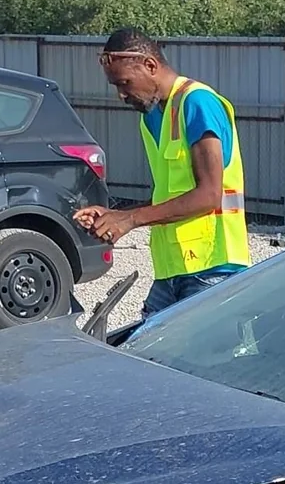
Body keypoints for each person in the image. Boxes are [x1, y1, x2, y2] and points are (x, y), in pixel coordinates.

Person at [72, 30, 249, 319]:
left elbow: (209, 195)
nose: (121, 95)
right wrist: (116, 215)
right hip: (173, 271)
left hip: (213, 269)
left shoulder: (198, 103)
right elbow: (169, 195)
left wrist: (130, 219)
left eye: (124, 83)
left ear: (150, 65)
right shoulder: (153, 117)